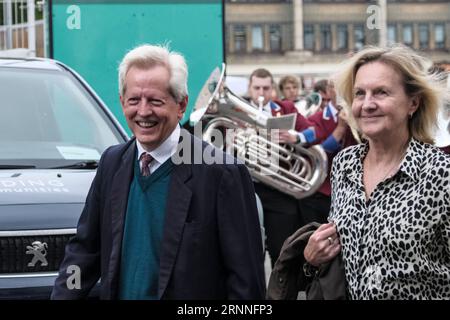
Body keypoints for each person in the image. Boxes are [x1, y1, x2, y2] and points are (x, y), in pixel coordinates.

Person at [51, 44, 266, 299]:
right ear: (121, 102)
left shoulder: (222, 174)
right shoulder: (111, 163)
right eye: (134, 100)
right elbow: (84, 253)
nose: (143, 112)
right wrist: (65, 294)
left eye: (155, 101)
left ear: (181, 104)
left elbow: (246, 284)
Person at [304, 44, 450, 299]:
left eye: (381, 92)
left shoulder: (439, 172)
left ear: (413, 103)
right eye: (360, 94)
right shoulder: (344, 165)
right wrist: (312, 258)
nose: (367, 104)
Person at [246, 68, 314, 266]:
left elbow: (314, 130)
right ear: (249, 88)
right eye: (257, 87)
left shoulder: (284, 108)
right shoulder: (237, 111)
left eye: (266, 88)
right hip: (248, 188)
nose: (261, 93)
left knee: (282, 252)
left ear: (272, 89)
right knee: (248, 254)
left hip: (279, 189)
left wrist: (297, 137)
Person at [297, 79, 357, 225]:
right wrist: (341, 129)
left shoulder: (361, 116)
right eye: (341, 89)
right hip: (320, 193)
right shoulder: (315, 119)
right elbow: (318, 154)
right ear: (330, 91)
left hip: (351, 192)